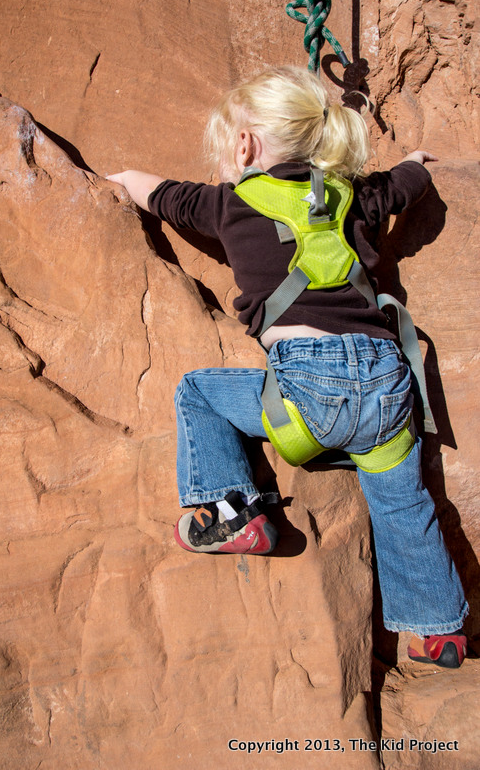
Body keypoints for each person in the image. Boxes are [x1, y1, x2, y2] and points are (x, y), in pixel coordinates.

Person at [107, 66, 468, 668]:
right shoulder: (352, 195)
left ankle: (229, 512)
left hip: (307, 397)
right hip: (387, 386)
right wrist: (416, 161)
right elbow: (404, 185)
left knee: (198, 391)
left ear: (244, 145)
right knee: (403, 502)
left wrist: (116, 178)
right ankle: (439, 629)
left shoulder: (227, 203)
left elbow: (160, 193)